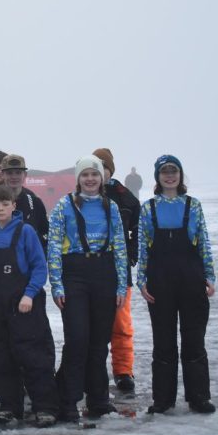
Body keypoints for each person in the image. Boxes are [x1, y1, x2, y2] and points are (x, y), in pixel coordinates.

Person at [0, 185, 59, 426]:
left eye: (5, 204)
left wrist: (29, 295)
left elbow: (40, 268)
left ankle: (44, 407)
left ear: (13, 206)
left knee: (34, 357)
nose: (0, 209)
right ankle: (9, 406)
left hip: (24, 308)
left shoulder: (26, 232)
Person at [48, 156, 128, 421]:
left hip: (104, 273)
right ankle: (68, 401)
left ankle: (99, 400)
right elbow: (54, 247)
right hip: (75, 275)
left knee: (99, 341)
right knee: (77, 339)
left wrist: (120, 284)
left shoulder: (111, 207)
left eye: (95, 175)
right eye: (85, 175)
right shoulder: (64, 205)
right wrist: (57, 284)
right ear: (78, 178)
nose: (90, 180)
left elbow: (120, 246)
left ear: (102, 178)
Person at [138, 155, 216, 415]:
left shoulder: (193, 205)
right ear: (157, 177)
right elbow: (143, 246)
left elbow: (203, 240)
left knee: (194, 339)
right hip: (160, 280)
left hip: (191, 278)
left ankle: (198, 397)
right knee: (163, 342)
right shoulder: (148, 208)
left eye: (174, 171)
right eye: (164, 172)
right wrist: (141, 280)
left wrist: (209, 275)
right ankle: (163, 399)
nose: (169, 176)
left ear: (181, 176)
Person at [93, 148, 141, 394]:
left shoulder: (126, 197)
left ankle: (123, 371)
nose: (100, 173)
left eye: (105, 167)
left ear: (111, 170)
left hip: (121, 274)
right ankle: (93, 370)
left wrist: (132, 253)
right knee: (93, 325)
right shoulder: (82, 196)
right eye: (95, 168)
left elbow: (138, 231)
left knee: (121, 325)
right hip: (92, 272)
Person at [0, 154, 49, 251]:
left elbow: (46, 232)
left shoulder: (35, 202)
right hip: (0, 259)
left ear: (25, 175)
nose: (14, 176)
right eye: (9, 173)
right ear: (3, 175)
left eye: (18, 172)